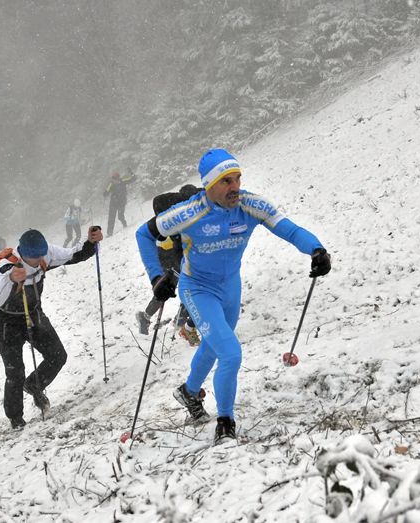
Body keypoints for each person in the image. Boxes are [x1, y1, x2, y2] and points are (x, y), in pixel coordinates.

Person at [135, 148, 331, 444]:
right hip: (197, 288)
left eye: (237, 178)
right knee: (230, 353)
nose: (235, 187)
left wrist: (316, 249)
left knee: (215, 347)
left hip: (230, 287)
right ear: (209, 185)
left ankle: (188, 392)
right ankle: (225, 422)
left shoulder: (249, 205)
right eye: (226, 181)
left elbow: (288, 230)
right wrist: (155, 277)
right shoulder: (189, 212)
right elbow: (144, 234)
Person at [0, 226, 103, 430]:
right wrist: (10, 279)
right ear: (23, 253)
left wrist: (91, 243)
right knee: (15, 371)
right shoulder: (6, 266)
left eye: (39, 256)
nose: (37, 261)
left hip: (33, 314)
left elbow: (72, 255)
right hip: (6, 321)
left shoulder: (46, 253)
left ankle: (34, 385)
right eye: (32, 257)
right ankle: (16, 418)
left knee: (58, 355)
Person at [136, 184, 202, 343]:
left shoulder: (180, 209)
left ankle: (172, 319)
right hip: (169, 257)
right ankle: (176, 320)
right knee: (171, 287)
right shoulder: (172, 217)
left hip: (174, 255)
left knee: (179, 286)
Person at [104, 171, 135, 236]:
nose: (114, 179)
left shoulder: (123, 181)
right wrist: (105, 193)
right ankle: (109, 232)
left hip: (122, 201)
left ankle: (124, 223)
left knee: (120, 216)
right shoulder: (111, 184)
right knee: (111, 218)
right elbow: (106, 191)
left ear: (118, 177)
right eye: (113, 178)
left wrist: (131, 172)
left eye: (115, 178)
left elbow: (133, 179)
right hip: (113, 202)